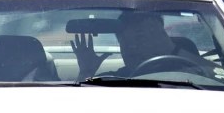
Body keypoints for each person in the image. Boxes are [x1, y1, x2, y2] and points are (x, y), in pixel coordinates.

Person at [71, 10, 210, 80]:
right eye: (126, 43)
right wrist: (86, 71)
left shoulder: (192, 74)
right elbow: (79, 104)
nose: (134, 49)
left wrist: (170, 49)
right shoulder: (114, 80)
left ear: (160, 37)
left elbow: (220, 76)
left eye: (142, 39)